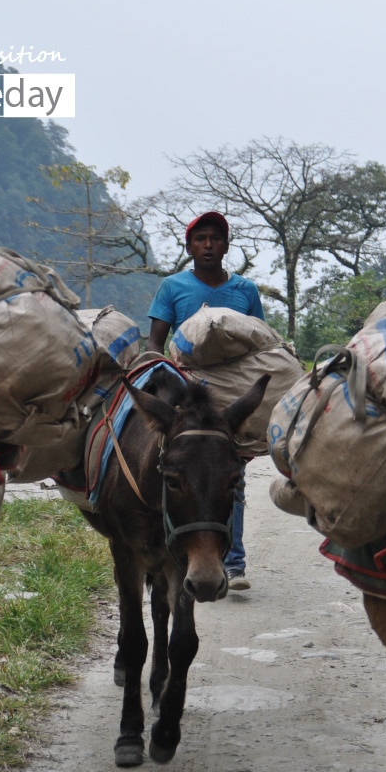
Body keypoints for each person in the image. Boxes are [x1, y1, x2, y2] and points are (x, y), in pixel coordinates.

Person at [146, 211, 265, 591]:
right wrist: (165, 374)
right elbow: (155, 343)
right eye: (201, 239)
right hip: (187, 400)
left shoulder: (245, 290)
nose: (208, 245)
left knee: (232, 480)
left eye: (216, 238)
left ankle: (234, 562)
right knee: (179, 478)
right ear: (189, 247)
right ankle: (173, 551)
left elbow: (260, 341)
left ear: (227, 246)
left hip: (228, 401)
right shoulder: (172, 287)